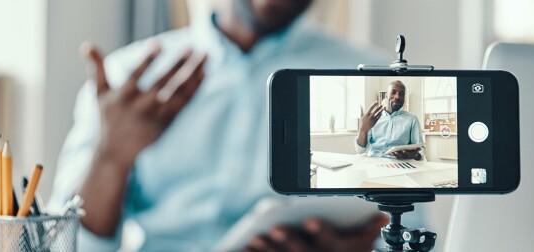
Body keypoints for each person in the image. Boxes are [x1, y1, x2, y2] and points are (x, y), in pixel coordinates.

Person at [48, 0, 393, 250]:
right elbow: (68, 247)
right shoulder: (127, 78)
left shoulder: (373, 78)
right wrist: (110, 157)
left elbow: (410, 236)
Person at [355, 80, 425, 160]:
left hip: (400, 163)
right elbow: (360, 150)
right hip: (374, 161)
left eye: (401, 94)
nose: (397, 97)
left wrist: (413, 155)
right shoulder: (373, 118)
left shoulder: (412, 119)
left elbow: (421, 149)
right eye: (393, 92)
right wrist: (363, 129)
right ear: (386, 95)